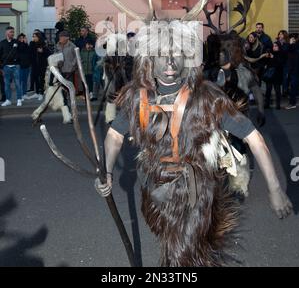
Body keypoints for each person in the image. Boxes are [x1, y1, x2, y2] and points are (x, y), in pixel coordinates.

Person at [95, 22, 292, 267]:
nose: (169, 64)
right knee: (185, 254)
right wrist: (107, 171)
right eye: (161, 56)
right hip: (155, 195)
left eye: (176, 54)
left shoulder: (207, 97)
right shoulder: (137, 97)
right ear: (148, 59)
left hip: (195, 195)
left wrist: (275, 189)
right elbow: (114, 135)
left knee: (179, 258)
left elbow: (255, 139)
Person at [0, 26, 23, 106]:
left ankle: (19, 99)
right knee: (6, 85)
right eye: (11, 32)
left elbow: (21, 52)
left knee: (17, 84)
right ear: (6, 33)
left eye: (13, 32)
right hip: (6, 67)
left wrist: (18, 60)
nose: (12, 33)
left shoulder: (17, 42)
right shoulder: (2, 43)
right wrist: (1, 67)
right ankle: (8, 100)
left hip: (16, 66)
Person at [29, 31, 50, 100]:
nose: (33, 38)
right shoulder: (32, 44)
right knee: (35, 79)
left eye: (35, 36)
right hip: (34, 64)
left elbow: (48, 53)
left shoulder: (43, 44)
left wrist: (42, 51)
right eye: (33, 36)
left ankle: (41, 93)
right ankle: (37, 92)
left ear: (38, 37)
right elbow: (30, 51)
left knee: (41, 79)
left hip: (42, 65)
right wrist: (32, 42)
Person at [263, 42, 284, 110]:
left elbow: (280, 64)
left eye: (276, 46)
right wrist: (266, 58)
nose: (274, 47)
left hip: (277, 75)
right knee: (268, 90)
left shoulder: (281, 54)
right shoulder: (270, 53)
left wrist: (273, 57)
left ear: (279, 47)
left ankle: (278, 104)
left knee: (277, 90)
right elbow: (266, 64)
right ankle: (267, 104)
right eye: (273, 46)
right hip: (270, 75)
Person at [285, 34, 299, 110]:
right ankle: (292, 103)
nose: (291, 40)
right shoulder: (291, 46)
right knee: (292, 86)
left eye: (293, 39)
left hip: (294, 71)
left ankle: (292, 103)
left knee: (293, 86)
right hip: (293, 70)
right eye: (291, 39)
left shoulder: (295, 46)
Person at [17, 33, 31, 99]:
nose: (24, 39)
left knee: (25, 81)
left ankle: (24, 94)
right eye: (22, 38)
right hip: (20, 66)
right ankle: (19, 96)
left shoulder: (26, 45)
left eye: (24, 38)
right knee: (19, 81)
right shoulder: (18, 45)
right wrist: (23, 43)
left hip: (27, 65)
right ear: (19, 39)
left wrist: (25, 43)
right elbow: (20, 50)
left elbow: (29, 53)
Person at [276, 30, 289, 96]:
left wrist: (281, 46)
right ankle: (278, 92)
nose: (280, 35)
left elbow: (285, 52)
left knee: (285, 78)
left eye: (281, 34)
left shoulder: (287, 43)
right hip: (278, 63)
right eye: (279, 34)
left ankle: (285, 92)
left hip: (285, 63)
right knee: (278, 78)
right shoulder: (276, 42)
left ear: (285, 35)